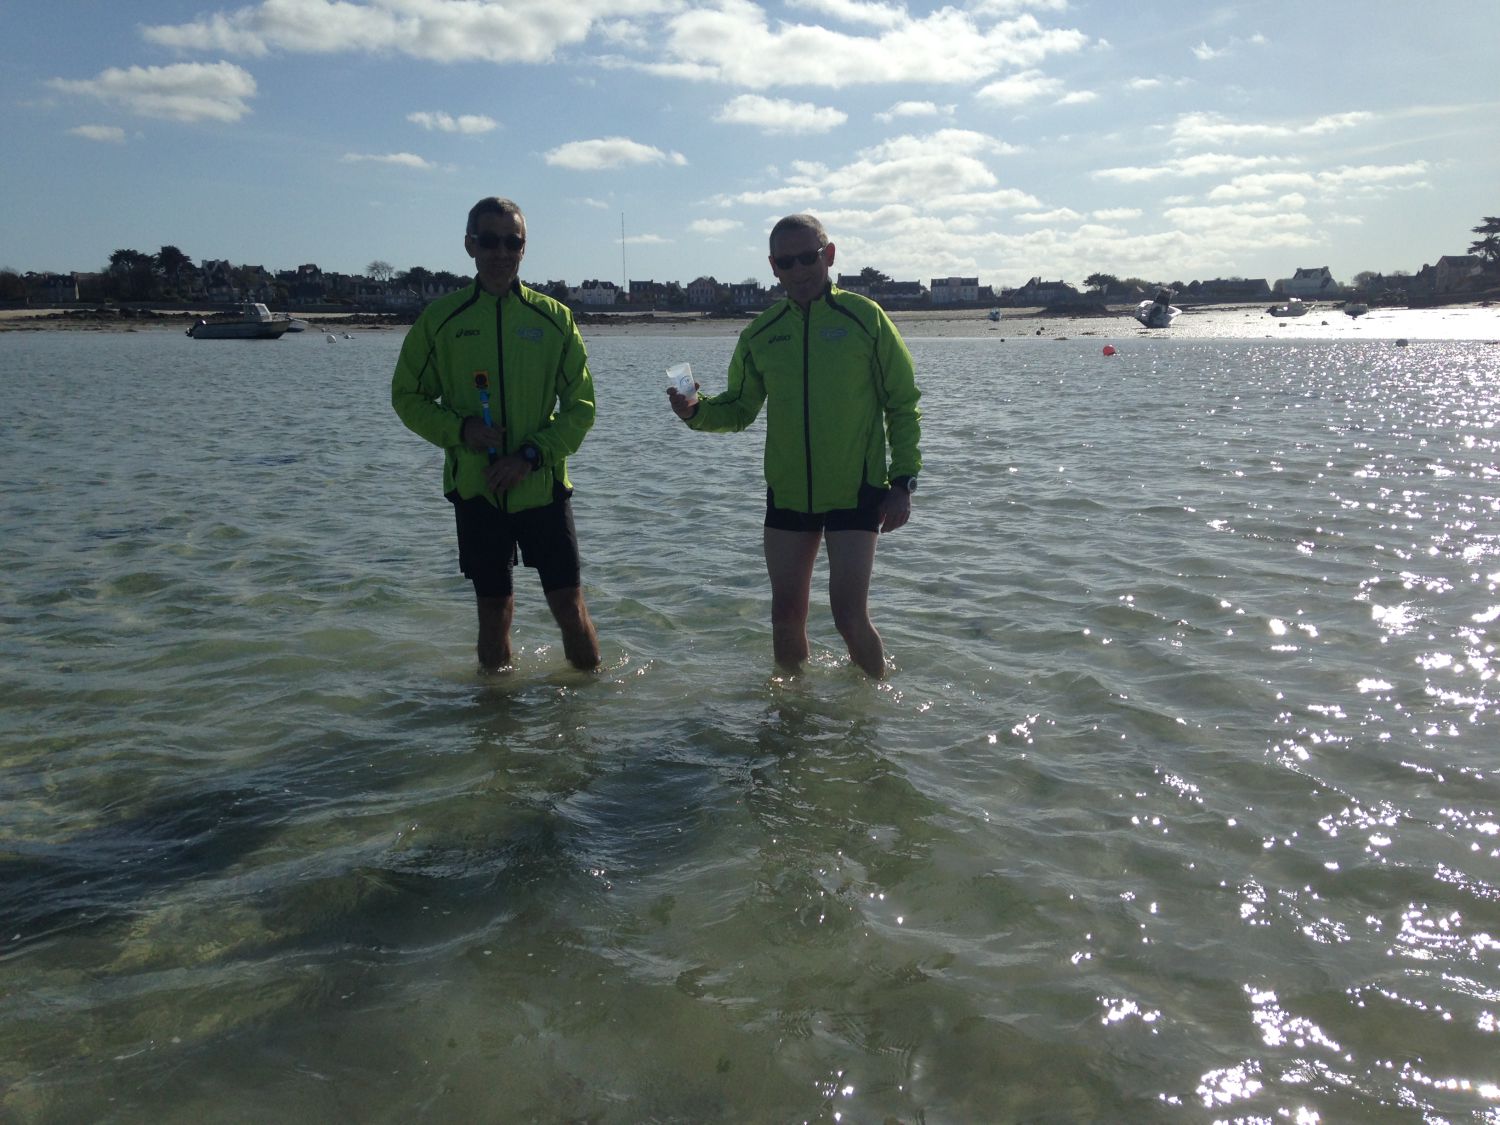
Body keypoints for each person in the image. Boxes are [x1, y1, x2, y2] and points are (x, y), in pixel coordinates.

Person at [667, 213, 922, 678]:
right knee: (785, 617)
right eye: (786, 262)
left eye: (808, 257)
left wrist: (902, 482)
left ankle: (875, 709)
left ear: (829, 255)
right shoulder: (761, 334)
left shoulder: (866, 319)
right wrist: (695, 412)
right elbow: (739, 408)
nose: (799, 269)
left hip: (856, 491)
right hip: (788, 493)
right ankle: (791, 714)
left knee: (849, 618)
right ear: (773, 267)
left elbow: (902, 404)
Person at [392, 196, 600, 672]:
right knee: (493, 614)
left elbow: (581, 408)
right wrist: (460, 429)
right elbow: (406, 396)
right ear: (470, 245)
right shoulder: (442, 320)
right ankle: (494, 716)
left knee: (570, 608)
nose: (501, 252)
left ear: (524, 247)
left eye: (513, 242)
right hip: (477, 491)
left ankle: (590, 709)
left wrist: (529, 456)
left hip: (542, 487)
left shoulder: (554, 319)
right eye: (489, 241)